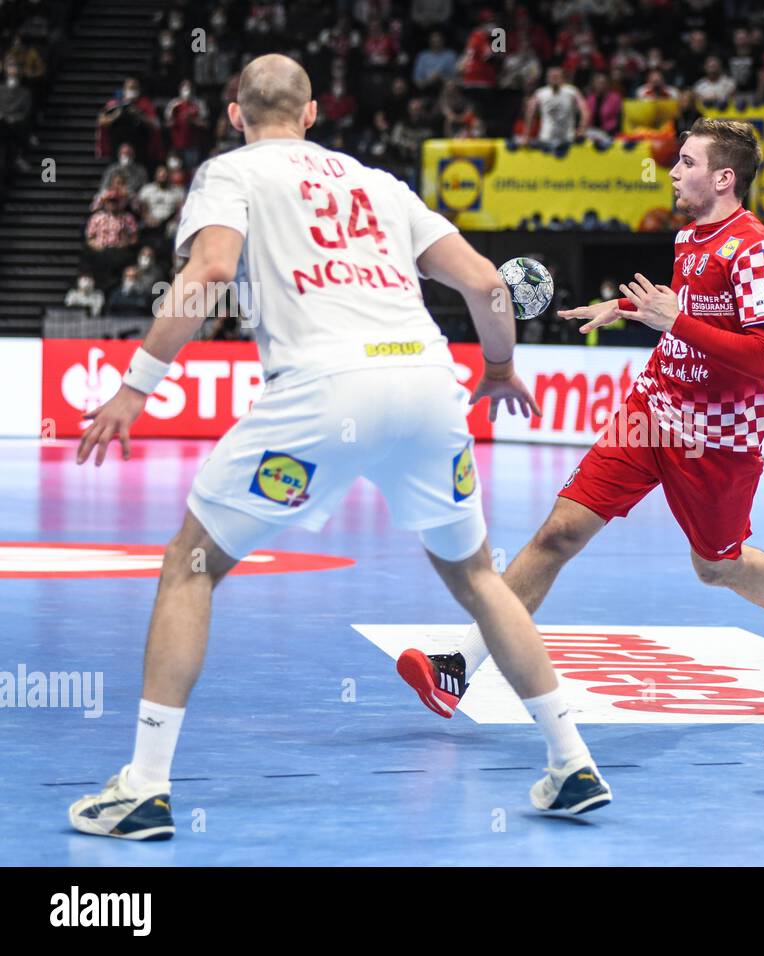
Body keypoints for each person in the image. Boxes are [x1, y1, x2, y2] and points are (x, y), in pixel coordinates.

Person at [68, 54, 611, 841]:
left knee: (191, 561)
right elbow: (490, 286)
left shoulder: (232, 172)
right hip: (426, 382)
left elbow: (211, 270)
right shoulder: (380, 184)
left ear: (234, 115)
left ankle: (144, 786)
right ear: (314, 113)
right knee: (478, 577)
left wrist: (134, 387)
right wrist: (498, 366)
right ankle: (570, 762)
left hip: (322, 389)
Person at [397, 118, 764, 721]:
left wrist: (672, 322)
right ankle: (457, 670)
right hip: (651, 410)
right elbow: (688, 311)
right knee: (558, 533)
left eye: (687, 163)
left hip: (718, 439)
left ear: (725, 178)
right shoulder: (689, 238)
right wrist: (627, 307)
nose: (673, 172)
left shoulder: (756, 250)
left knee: (717, 566)